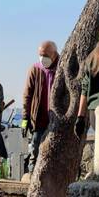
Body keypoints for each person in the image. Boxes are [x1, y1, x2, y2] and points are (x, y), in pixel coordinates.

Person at [21, 41, 59, 173]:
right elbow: (27, 96)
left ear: (54, 55)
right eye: (40, 55)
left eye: (45, 55)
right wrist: (25, 120)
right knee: (35, 150)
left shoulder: (62, 68)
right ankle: (33, 177)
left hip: (57, 120)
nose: (42, 58)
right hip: (39, 120)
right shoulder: (35, 69)